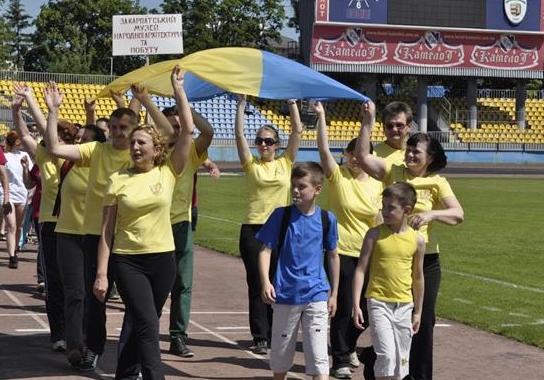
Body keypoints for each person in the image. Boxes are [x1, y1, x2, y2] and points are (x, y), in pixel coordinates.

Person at [44, 80, 175, 371]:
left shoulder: (144, 155)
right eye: (113, 128)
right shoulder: (97, 150)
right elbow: (54, 146)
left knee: (139, 310)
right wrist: (53, 110)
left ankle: (130, 363)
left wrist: (142, 99)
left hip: (133, 242)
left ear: (135, 132)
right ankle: (95, 347)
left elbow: (167, 134)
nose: (116, 133)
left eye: (123, 129)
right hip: (97, 234)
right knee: (96, 295)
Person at [93, 67, 194, 380]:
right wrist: (101, 274)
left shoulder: (168, 172)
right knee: (148, 323)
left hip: (163, 259)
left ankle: (124, 373)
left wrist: (179, 91)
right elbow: (107, 232)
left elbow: (187, 132)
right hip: (128, 261)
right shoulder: (117, 180)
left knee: (144, 321)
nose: (135, 147)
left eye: (142, 143)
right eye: (133, 142)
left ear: (156, 148)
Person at [355, 101, 465, 380]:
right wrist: (367, 122)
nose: (410, 154)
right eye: (409, 150)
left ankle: (419, 376)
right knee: (380, 314)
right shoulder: (394, 172)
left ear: (429, 158)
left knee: (423, 320)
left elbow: (458, 214)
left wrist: (432, 214)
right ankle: (375, 356)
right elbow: (364, 158)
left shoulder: (438, 182)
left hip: (425, 259)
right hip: (391, 255)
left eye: (417, 151)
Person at [314, 100, 382, 379]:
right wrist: (321, 116)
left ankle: (352, 345)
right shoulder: (337, 177)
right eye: (350, 153)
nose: (355, 158)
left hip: (368, 254)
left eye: (359, 153)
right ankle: (340, 359)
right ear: (346, 154)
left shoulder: (379, 184)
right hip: (339, 252)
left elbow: (379, 219)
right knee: (343, 306)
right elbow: (322, 150)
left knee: (366, 307)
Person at [257, 161, 340, 380]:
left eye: (302, 186)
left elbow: (333, 255)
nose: (295, 190)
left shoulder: (327, 219)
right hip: (285, 294)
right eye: (293, 185)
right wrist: (266, 281)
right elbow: (265, 250)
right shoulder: (280, 216)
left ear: (317, 189)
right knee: (281, 355)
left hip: (317, 293)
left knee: (319, 355)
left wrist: (334, 294)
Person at [12, 82, 78, 351]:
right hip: (50, 224)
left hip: (76, 226)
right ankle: (59, 334)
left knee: (76, 284)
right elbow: (26, 134)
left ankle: (78, 331)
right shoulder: (43, 155)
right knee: (54, 282)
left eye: (55, 137)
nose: (48, 139)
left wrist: (49, 108)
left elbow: (44, 133)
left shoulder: (76, 158)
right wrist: (21, 106)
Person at [235, 95, 302, 354]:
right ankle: (260, 335)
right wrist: (241, 105)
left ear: (277, 144)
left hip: (281, 229)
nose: (263, 145)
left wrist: (292, 104)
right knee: (257, 283)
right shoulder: (251, 164)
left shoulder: (286, 163)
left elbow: (297, 130)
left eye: (269, 141)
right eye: (260, 141)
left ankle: (278, 332)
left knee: (280, 282)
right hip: (254, 229)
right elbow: (239, 136)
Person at [352, 182, 425, 380]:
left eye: (390, 207)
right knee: (386, 355)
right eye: (383, 206)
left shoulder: (417, 240)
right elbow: (360, 269)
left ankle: (371, 361)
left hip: (404, 305)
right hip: (378, 301)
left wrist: (417, 311)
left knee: (401, 360)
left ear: (406, 210)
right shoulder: (374, 234)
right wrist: (356, 304)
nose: (384, 211)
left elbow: (418, 277)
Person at [160, 104, 214, 358]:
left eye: (179, 127)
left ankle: (178, 337)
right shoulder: (154, 153)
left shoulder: (192, 151)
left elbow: (208, 132)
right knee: (156, 284)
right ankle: (146, 332)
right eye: (171, 126)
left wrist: (187, 109)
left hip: (181, 224)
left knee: (183, 284)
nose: (176, 130)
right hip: (155, 225)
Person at [53, 125, 107, 369]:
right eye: (78, 139)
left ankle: (92, 342)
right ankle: (75, 344)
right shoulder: (70, 165)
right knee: (75, 293)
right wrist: (51, 108)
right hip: (69, 234)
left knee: (93, 295)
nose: (79, 142)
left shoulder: (102, 165)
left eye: (85, 140)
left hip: (97, 236)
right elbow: (51, 142)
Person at [2, 130, 33, 269]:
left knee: (19, 227)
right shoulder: (5, 156)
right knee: (11, 226)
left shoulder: (25, 156)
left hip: (22, 194)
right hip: (6, 194)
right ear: (16, 141)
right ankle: (12, 257)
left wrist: (25, 166)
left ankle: (15, 250)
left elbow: (30, 175)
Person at [191, 158, 220, 231]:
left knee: (188, 238)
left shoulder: (193, 150)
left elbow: (208, 163)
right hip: (171, 206)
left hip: (191, 205)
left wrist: (214, 168)